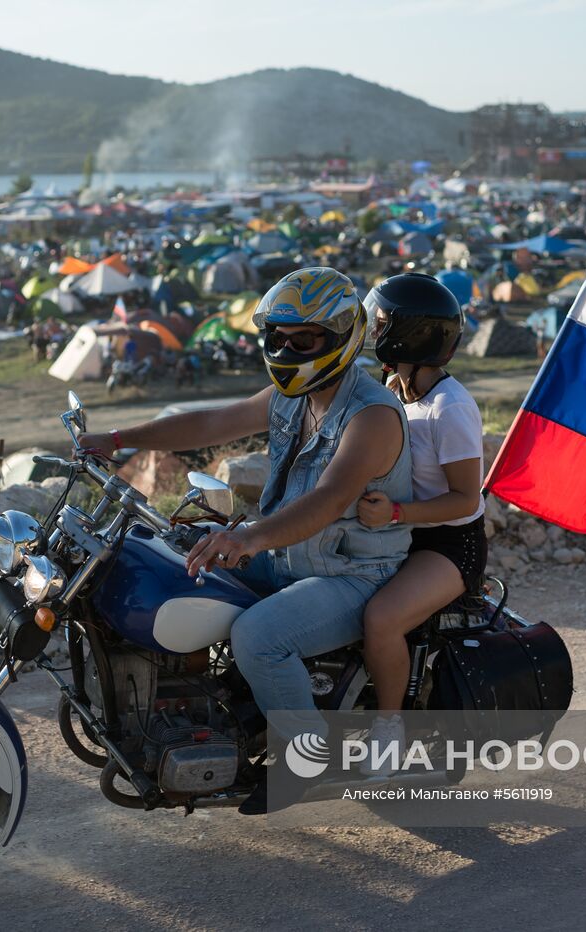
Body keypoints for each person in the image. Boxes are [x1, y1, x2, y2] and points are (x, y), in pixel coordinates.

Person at [79, 268, 411, 814]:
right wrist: (119, 440)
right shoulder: (293, 395)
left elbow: (328, 501)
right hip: (286, 556)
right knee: (169, 554)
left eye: (301, 339)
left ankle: (307, 763)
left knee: (258, 637)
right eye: (275, 338)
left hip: (350, 575)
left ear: (342, 336)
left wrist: (248, 538)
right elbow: (212, 422)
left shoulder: (371, 415)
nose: (284, 349)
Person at [354, 273, 485, 775]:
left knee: (381, 619)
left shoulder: (451, 408)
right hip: (399, 531)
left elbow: (465, 499)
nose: (372, 327)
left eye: (382, 321)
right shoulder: (396, 388)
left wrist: (395, 513)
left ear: (410, 334)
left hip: (449, 545)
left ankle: (390, 731)